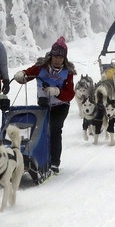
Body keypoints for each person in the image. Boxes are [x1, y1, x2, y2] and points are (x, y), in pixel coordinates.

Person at [13, 36, 75, 175]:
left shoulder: (68, 72)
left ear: (64, 58)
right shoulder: (41, 67)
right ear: (51, 55)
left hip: (61, 105)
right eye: (55, 56)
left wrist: (57, 91)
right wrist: (21, 75)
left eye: (60, 57)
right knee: (40, 131)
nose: (57, 59)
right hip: (43, 104)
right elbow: (28, 74)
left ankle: (54, 163)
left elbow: (70, 93)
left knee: (54, 128)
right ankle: (40, 158)